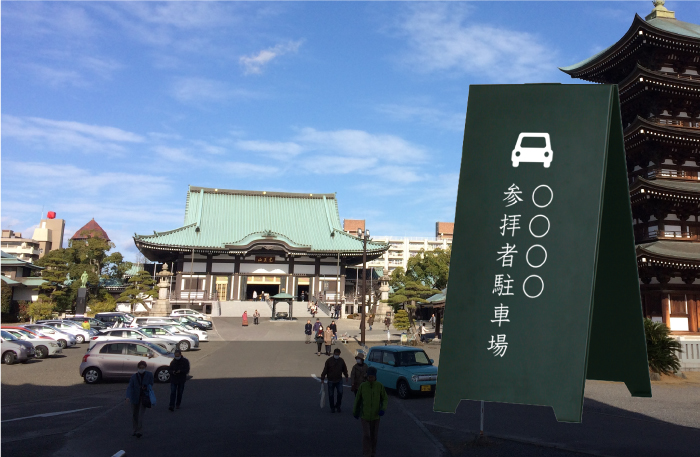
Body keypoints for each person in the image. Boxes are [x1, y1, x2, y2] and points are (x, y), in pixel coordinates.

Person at [353, 366, 388, 457]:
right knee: (366, 435)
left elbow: (385, 399)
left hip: (376, 416)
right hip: (365, 415)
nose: (371, 379)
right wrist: (355, 411)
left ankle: (373, 452)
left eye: (372, 377)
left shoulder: (379, 386)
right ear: (367, 377)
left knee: (374, 436)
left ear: (375, 377)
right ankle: (366, 452)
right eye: (369, 377)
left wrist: (382, 409)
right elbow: (358, 399)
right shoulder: (363, 386)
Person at [125, 360, 153, 438]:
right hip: (135, 397)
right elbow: (130, 387)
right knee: (134, 414)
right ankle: (134, 429)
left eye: (143, 367)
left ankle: (139, 431)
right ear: (138, 368)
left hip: (144, 397)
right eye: (140, 367)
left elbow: (151, 383)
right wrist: (128, 397)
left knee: (141, 415)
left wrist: (146, 387)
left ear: (145, 367)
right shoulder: (134, 377)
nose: (141, 369)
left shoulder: (149, 375)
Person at [320, 348, 349, 413]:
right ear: (333, 354)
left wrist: (346, 376)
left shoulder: (341, 361)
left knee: (340, 393)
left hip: (339, 380)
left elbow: (344, 369)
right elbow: (325, 370)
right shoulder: (329, 361)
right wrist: (322, 378)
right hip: (331, 380)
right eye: (336, 354)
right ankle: (332, 407)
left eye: (338, 354)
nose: (337, 356)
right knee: (331, 395)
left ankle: (338, 405)